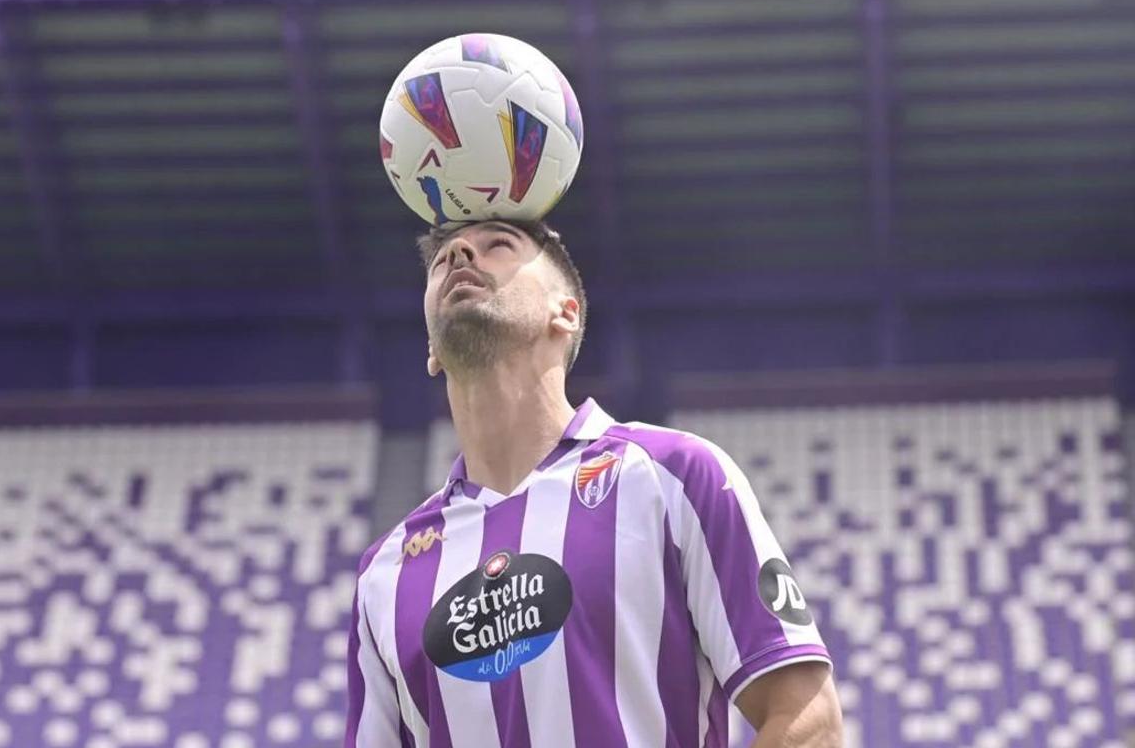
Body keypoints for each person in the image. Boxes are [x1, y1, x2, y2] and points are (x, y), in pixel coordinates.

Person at [345, 219, 843, 747]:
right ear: (431, 348)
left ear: (566, 313)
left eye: (497, 245)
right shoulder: (387, 572)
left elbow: (807, 719)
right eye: (443, 258)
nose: (461, 253)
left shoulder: (673, 476)